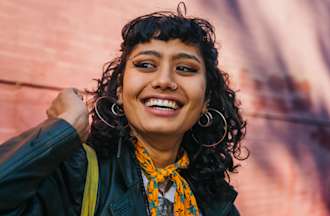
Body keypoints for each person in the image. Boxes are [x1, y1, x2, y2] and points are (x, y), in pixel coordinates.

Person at [0, 3, 246, 216]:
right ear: (119, 90)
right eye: (146, 64)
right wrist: (66, 127)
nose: (164, 80)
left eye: (185, 69)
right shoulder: (76, 172)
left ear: (205, 101)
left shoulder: (214, 197)